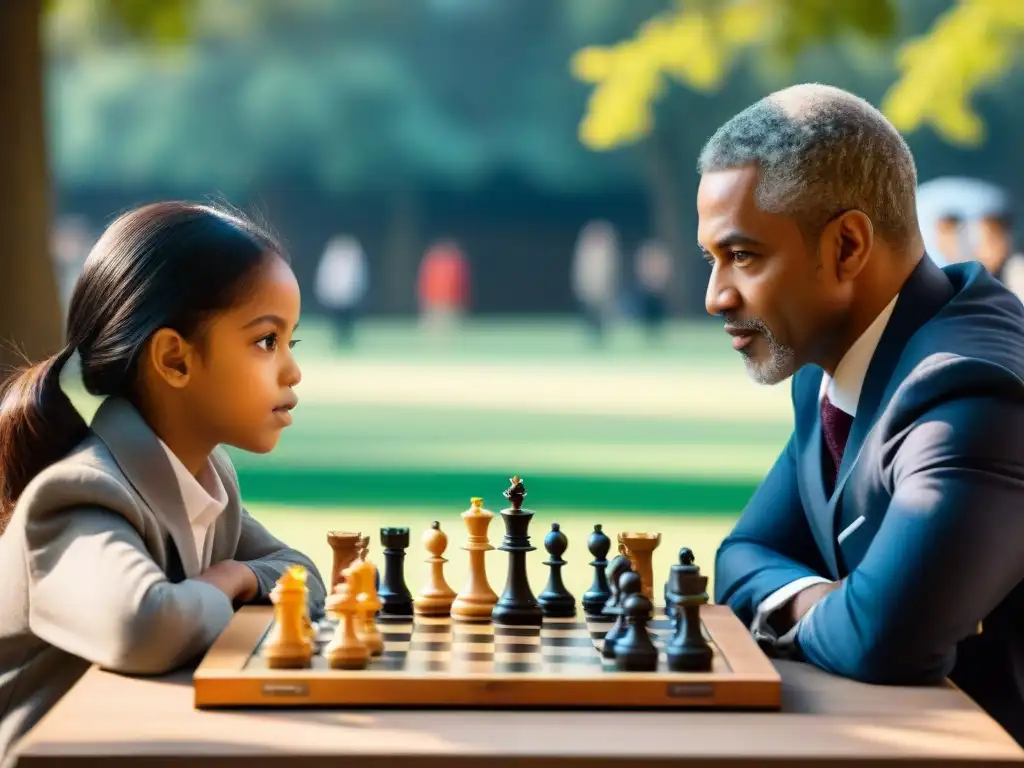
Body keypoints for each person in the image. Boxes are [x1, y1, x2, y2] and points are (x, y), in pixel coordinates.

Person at [698, 84, 1024, 744]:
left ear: (848, 246)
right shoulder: (827, 368)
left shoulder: (972, 392)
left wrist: (815, 605)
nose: (715, 296)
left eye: (743, 256)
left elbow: (884, 640)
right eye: (712, 260)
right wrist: (830, 605)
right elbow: (741, 555)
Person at [0, 202, 327, 764]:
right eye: (266, 341)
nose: (292, 371)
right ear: (175, 359)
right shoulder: (79, 495)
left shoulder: (203, 476)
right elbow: (141, 625)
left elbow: (304, 576)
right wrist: (228, 581)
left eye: (289, 343)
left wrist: (243, 575)